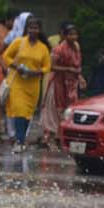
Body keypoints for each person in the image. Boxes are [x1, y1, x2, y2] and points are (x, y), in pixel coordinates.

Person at [0, 13, 51, 155]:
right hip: (18, 83)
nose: (33, 31)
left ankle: (21, 138)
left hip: (33, 85)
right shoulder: (19, 42)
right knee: (18, 111)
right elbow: (6, 56)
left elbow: (47, 66)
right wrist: (16, 67)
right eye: (30, 28)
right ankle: (19, 141)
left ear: (39, 30)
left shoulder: (43, 48)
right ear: (26, 29)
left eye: (35, 28)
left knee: (27, 114)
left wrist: (37, 72)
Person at [34, 21, 83, 150]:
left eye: (75, 34)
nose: (74, 37)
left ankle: (61, 137)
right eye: (71, 35)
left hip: (71, 84)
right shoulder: (59, 49)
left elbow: (77, 66)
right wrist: (68, 70)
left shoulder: (76, 47)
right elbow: (52, 66)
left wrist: (79, 77)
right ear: (65, 36)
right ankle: (50, 137)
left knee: (70, 109)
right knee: (56, 110)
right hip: (58, 83)